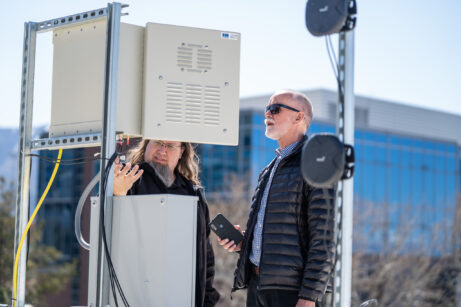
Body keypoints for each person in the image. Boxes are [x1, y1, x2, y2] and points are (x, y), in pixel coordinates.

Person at [218, 90, 335, 307]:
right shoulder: (268, 170)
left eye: (275, 109)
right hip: (258, 287)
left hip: (292, 294)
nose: (267, 115)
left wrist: (309, 297)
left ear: (299, 117)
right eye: (266, 110)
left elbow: (324, 239)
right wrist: (244, 243)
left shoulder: (315, 166)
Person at [113, 139, 220, 307]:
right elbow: (110, 235)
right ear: (146, 144)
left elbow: (205, 257)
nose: (162, 150)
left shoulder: (194, 194)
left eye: (169, 146)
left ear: (181, 151)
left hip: (184, 299)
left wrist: (207, 301)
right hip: (136, 297)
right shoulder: (127, 181)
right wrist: (117, 194)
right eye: (157, 143)